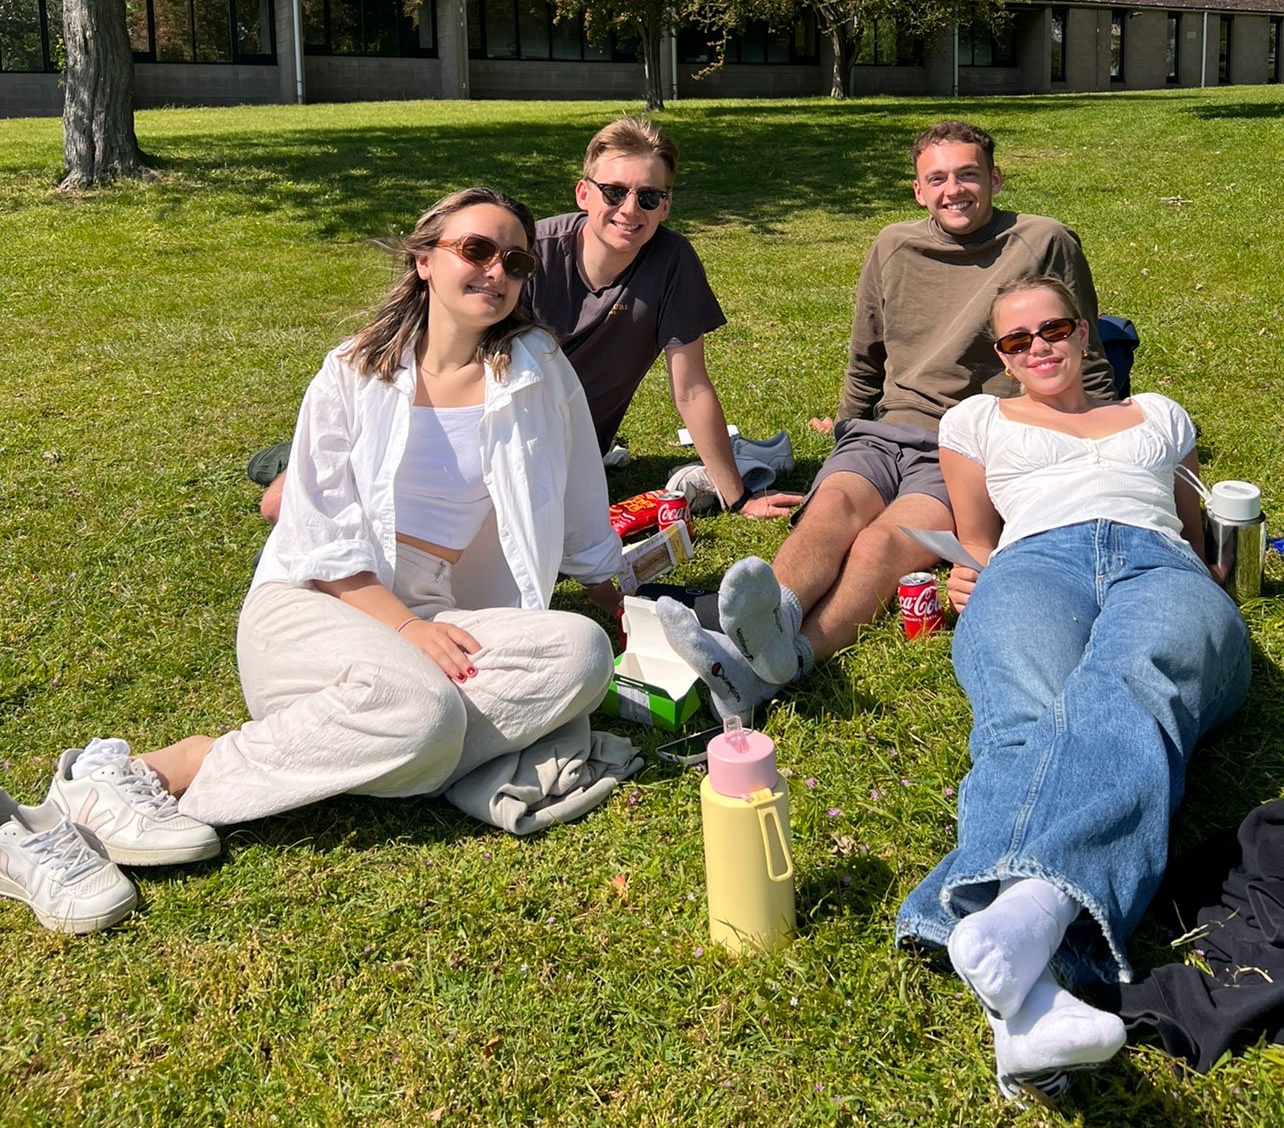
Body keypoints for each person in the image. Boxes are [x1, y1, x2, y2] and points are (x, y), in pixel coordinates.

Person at [46, 189, 629, 857]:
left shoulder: (535, 369)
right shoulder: (351, 373)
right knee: (424, 711)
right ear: (424, 262)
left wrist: (610, 596)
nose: (496, 271)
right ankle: (165, 770)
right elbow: (320, 540)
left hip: (439, 609)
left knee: (580, 653)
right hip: (317, 602)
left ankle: (378, 749)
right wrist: (406, 628)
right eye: (476, 250)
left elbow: (582, 487)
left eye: (517, 260)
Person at [895, 275, 1249, 1102]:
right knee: (1027, 717)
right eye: (1016, 341)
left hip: (1159, 563)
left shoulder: (1158, 414)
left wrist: (1203, 575)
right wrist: (963, 580)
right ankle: (1037, 995)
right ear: (1001, 356)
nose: (1038, 348)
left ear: (1085, 332)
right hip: (1032, 564)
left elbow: (1193, 533)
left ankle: (1020, 922)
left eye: (1053, 329)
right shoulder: (974, 421)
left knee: (1131, 682)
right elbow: (979, 540)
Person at [657, 120, 1117, 719]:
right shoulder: (892, 245)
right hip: (883, 432)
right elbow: (865, 355)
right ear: (918, 190)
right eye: (938, 178)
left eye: (969, 174)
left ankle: (789, 659)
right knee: (832, 509)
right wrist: (847, 429)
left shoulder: (1044, 241)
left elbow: (1087, 354)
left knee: (881, 542)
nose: (954, 189)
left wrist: (1111, 441)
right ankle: (776, 621)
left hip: (966, 442)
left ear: (995, 178)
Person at [258, 118, 801, 532]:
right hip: (473, 423)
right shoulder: (526, 255)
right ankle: (311, 446)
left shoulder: (673, 263)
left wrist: (738, 498)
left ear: (666, 206)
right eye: (614, 191)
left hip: (560, 452)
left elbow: (692, 388)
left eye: (649, 197)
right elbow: (450, 348)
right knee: (283, 503)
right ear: (584, 192)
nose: (629, 209)